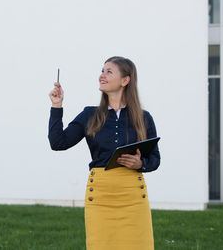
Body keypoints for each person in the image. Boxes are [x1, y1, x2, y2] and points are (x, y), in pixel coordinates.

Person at [48, 56, 160, 250]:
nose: (102, 75)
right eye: (102, 71)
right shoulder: (89, 115)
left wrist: (140, 164)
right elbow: (58, 143)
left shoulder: (143, 118)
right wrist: (56, 106)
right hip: (100, 197)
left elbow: (155, 159)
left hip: (133, 197)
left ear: (125, 80)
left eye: (109, 72)